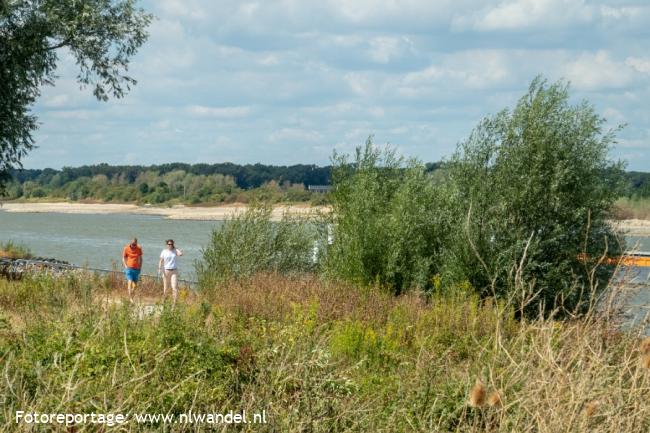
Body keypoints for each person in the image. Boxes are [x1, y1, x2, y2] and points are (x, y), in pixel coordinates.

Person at [158, 239, 183, 303]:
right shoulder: (164, 251)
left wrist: (177, 249)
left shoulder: (175, 251)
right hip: (166, 271)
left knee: (174, 287)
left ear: (173, 244)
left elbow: (180, 254)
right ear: (167, 245)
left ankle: (174, 303)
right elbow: (161, 260)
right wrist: (159, 268)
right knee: (165, 288)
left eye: (171, 244)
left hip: (174, 271)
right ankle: (164, 302)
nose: (170, 245)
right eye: (169, 244)